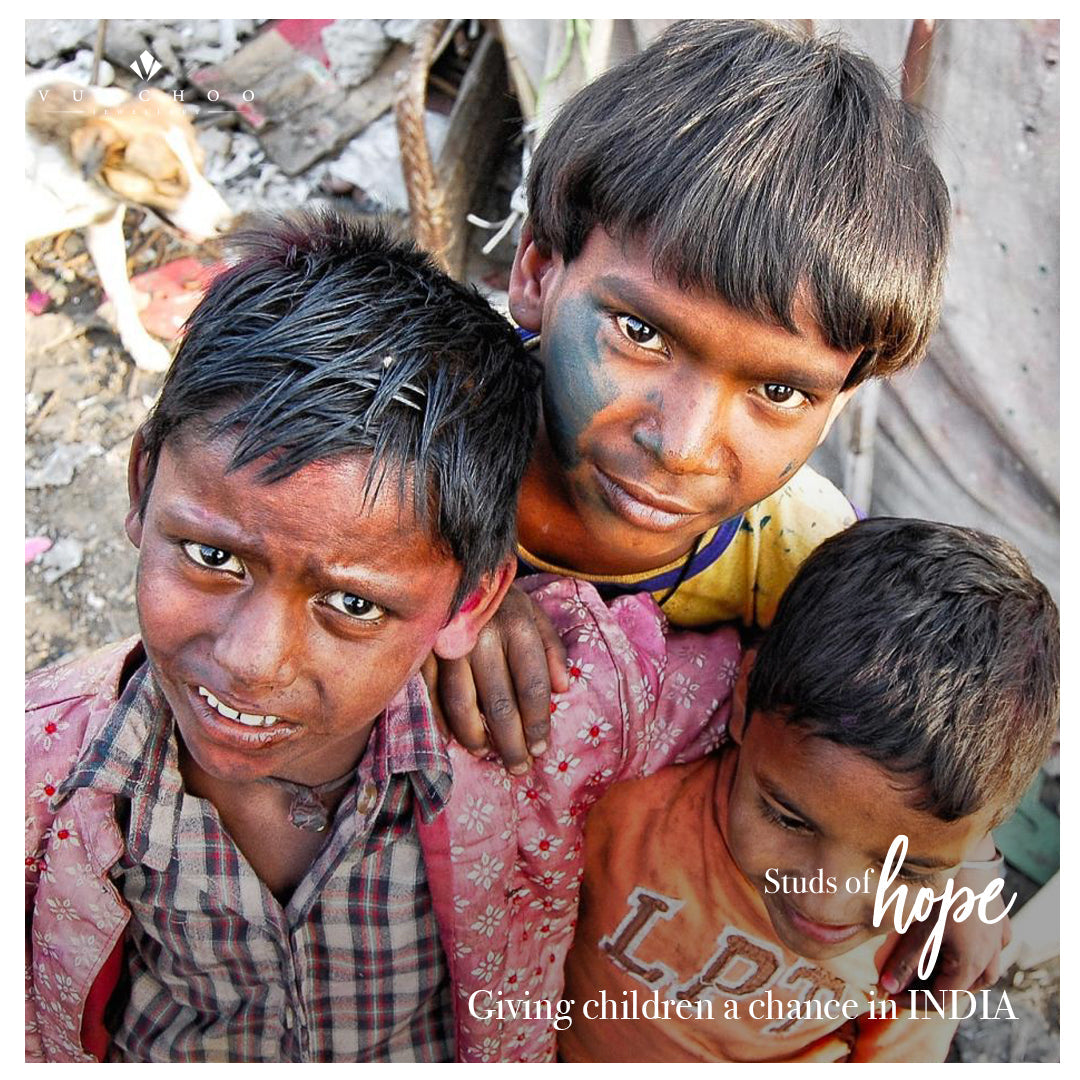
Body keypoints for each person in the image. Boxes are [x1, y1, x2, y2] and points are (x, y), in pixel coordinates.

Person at [25, 207, 742, 1062]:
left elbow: (791, 713)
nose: (251, 662)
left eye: (354, 605)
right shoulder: (37, 779)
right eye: (215, 557)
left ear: (472, 602)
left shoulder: (558, 715)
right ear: (143, 484)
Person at [433, 19, 1003, 997]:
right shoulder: (413, 430)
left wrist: (963, 872)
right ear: (535, 273)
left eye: (780, 391)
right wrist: (445, 577)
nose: (685, 444)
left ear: (839, 401)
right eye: (641, 331)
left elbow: (912, 740)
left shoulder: (803, 556)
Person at [556, 519, 1059, 1062]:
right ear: (745, 699)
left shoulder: (928, 954)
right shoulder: (617, 800)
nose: (826, 900)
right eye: (788, 819)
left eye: (909, 869)